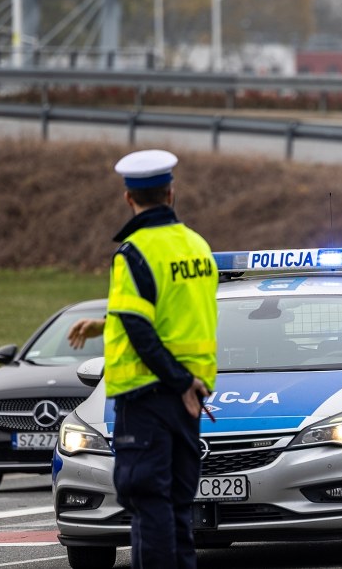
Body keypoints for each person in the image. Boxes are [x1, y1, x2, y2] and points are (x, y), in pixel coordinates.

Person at [67, 149, 219, 569]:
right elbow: (171, 315)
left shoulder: (134, 252)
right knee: (176, 505)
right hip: (192, 397)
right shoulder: (197, 247)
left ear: (128, 198)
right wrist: (104, 324)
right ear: (171, 194)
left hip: (150, 396)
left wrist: (175, 380)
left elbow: (141, 329)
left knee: (148, 502)